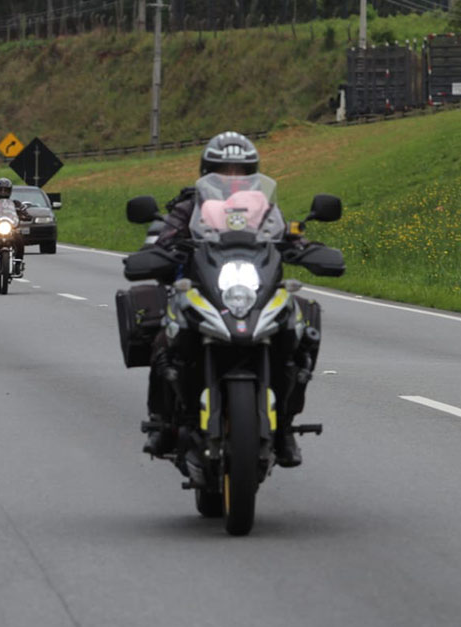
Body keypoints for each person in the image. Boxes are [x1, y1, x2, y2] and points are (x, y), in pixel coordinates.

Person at [141, 131, 335, 468]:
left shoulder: (265, 209)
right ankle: (164, 422)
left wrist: (305, 248)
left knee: (305, 325)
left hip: (255, 291)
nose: (232, 178)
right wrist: (161, 250)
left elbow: (287, 236)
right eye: (224, 170)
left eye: (240, 171)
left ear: (253, 175)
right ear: (207, 172)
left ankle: (285, 424)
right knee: (163, 336)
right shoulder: (188, 207)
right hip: (203, 291)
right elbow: (161, 240)